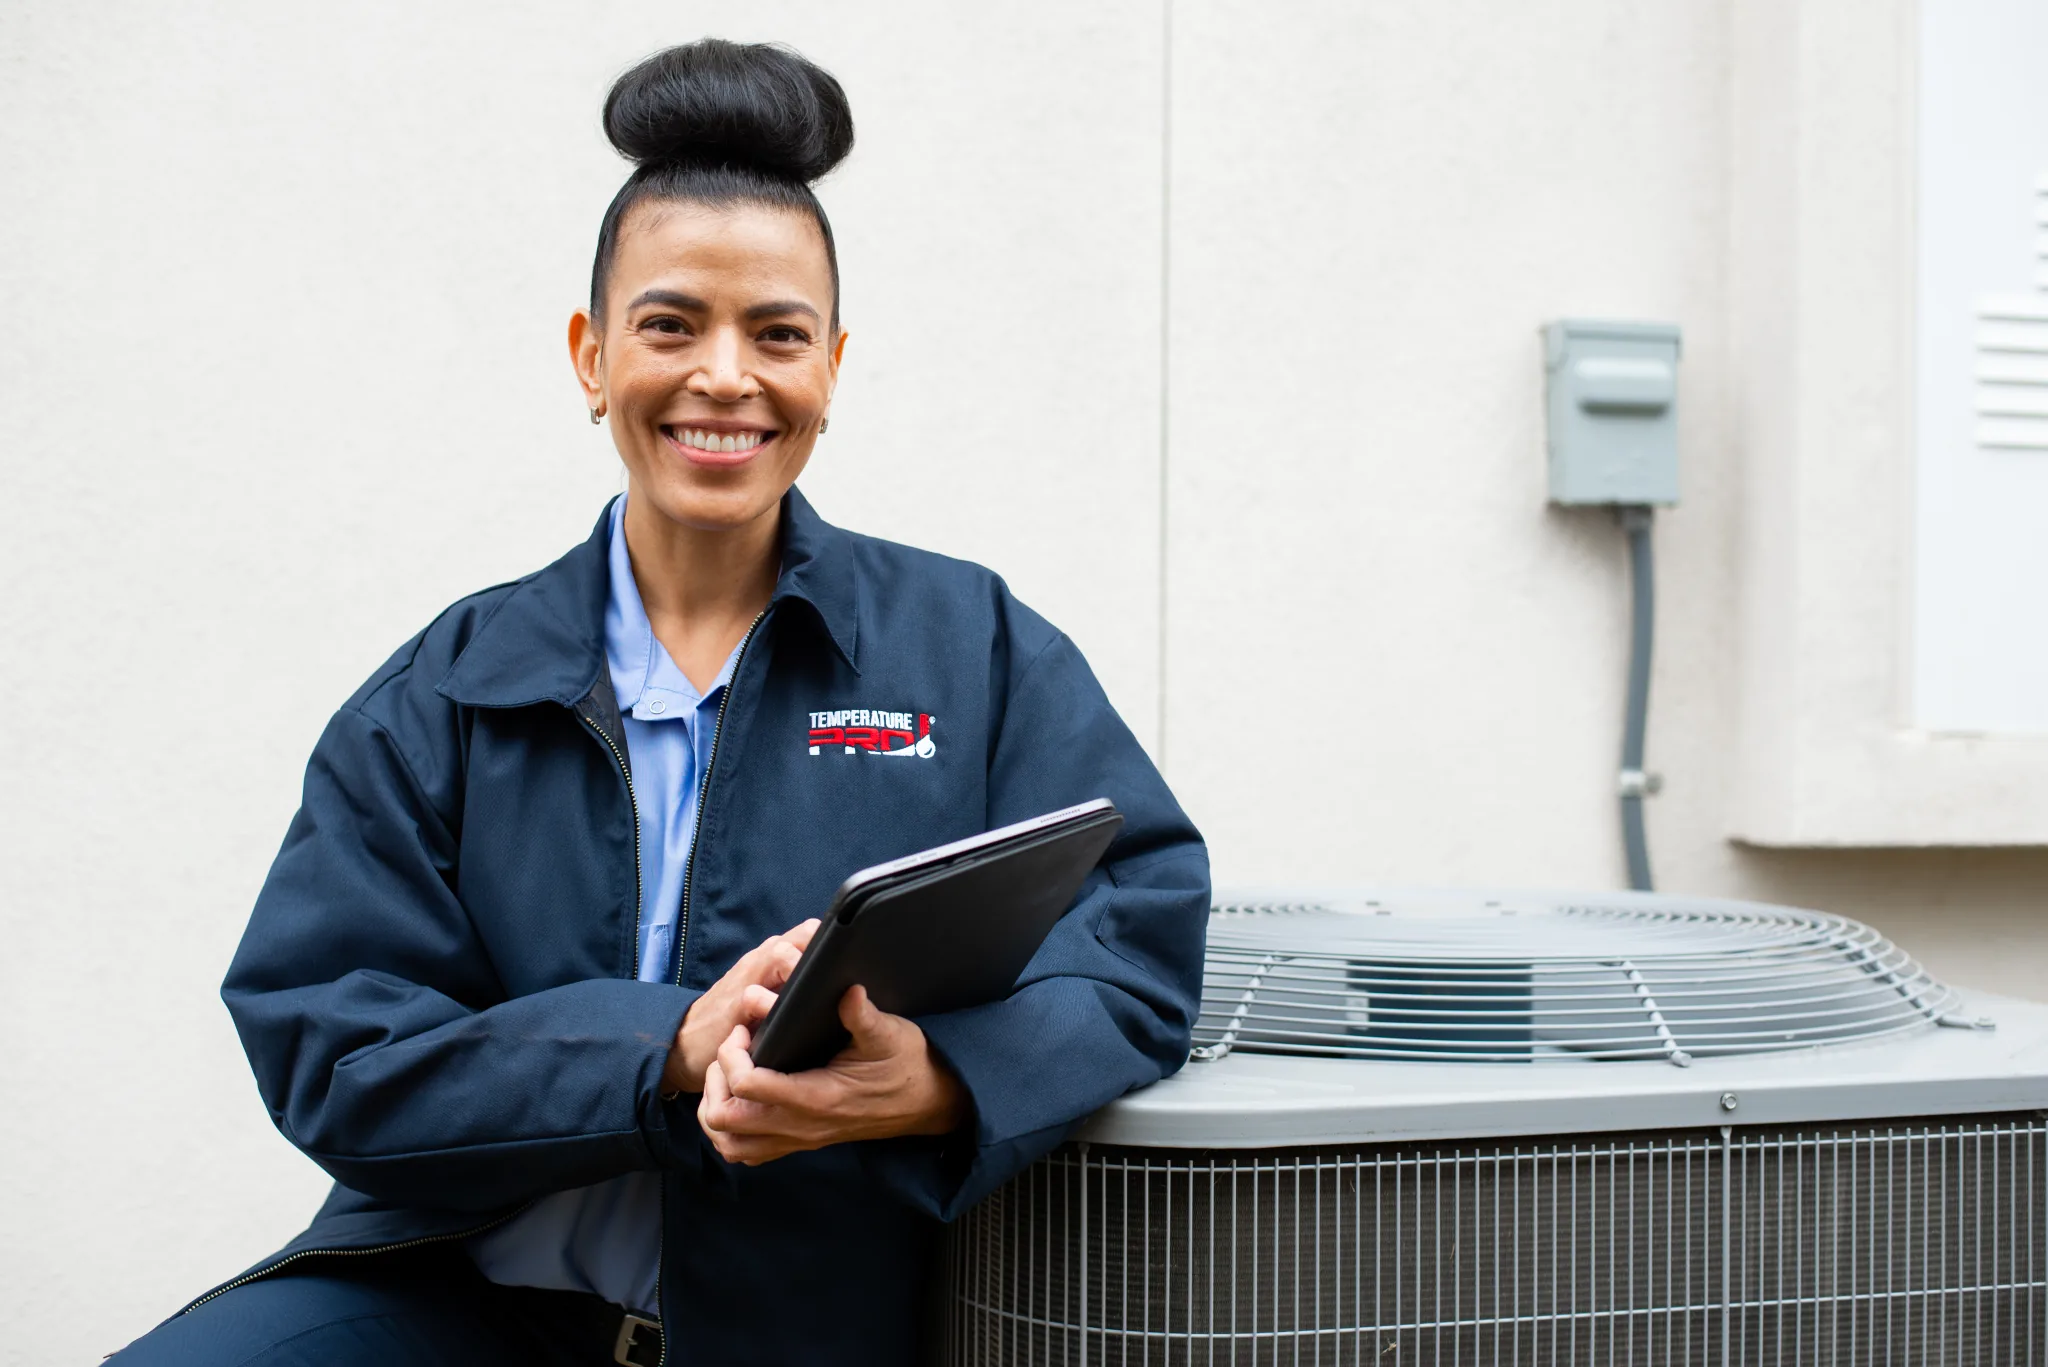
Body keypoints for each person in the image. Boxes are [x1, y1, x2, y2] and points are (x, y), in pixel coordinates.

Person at [109, 37, 1209, 1367]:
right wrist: (665, 1050)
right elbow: (332, 1046)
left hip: (805, 1328)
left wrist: (939, 1081)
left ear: (833, 368)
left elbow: (1139, 930)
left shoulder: (968, 649)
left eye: (778, 334)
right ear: (591, 355)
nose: (725, 375)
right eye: (672, 324)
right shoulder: (450, 689)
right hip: (461, 1309)